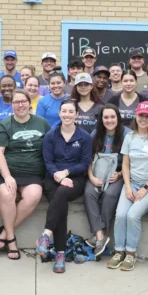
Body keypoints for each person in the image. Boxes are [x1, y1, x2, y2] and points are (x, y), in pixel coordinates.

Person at [0, 90, 51, 260]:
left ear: (29, 103)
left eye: (23, 101)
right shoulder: (5, 125)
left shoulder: (42, 123)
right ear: (12, 106)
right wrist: (7, 176)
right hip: (8, 172)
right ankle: (11, 240)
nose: (20, 105)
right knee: (7, 193)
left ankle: (4, 232)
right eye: (16, 102)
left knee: (34, 195)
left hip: (32, 172)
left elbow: (50, 147)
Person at [108, 102, 148, 272]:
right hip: (131, 183)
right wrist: (127, 186)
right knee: (120, 215)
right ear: (136, 116)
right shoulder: (130, 137)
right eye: (141, 115)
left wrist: (145, 188)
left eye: (147, 116)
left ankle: (131, 253)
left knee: (133, 215)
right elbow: (125, 165)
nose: (144, 119)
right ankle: (119, 251)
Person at [36, 100, 93, 273]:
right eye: (64, 111)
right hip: (52, 178)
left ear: (76, 115)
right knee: (60, 204)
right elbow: (48, 161)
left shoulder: (85, 137)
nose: (67, 115)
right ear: (59, 113)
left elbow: (84, 163)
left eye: (71, 112)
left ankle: (46, 235)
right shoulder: (51, 136)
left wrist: (66, 173)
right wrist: (58, 176)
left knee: (61, 194)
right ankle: (60, 254)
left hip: (75, 179)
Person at [83, 104, 128, 256]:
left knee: (110, 195)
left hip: (117, 175)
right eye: (106, 117)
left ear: (118, 118)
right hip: (96, 174)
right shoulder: (95, 134)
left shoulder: (127, 135)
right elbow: (88, 159)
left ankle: (98, 235)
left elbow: (132, 162)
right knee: (89, 192)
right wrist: (91, 177)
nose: (109, 120)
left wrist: (120, 174)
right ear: (101, 119)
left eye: (112, 117)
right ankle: (100, 235)